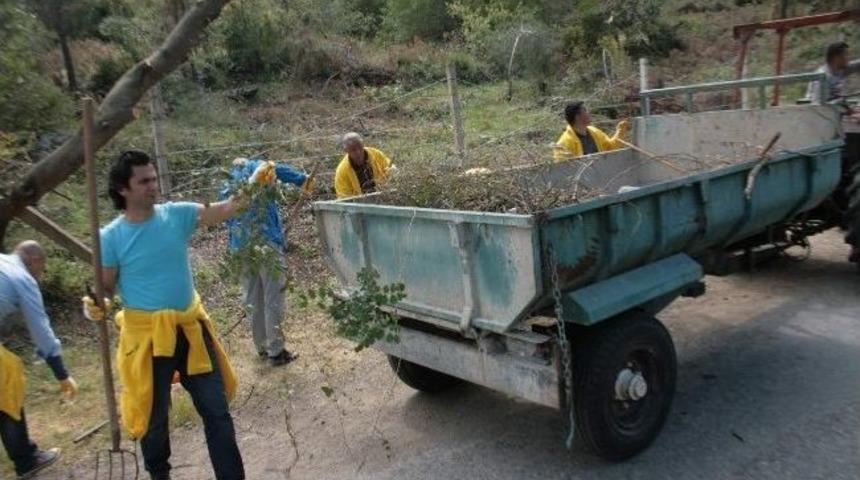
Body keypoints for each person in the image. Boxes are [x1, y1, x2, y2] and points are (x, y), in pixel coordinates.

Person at [81, 150, 253, 480]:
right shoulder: (110, 237)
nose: (153, 185)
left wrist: (254, 182)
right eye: (144, 181)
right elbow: (104, 289)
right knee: (154, 419)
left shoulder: (177, 214)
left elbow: (227, 209)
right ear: (123, 189)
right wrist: (93, 304)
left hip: (190, 331)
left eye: (154, 178)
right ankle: (159, 475)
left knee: (217, 412)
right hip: (147, 340)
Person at [222, 156, 313, 366]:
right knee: (273, 297)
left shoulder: (227, 183)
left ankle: (262, 348)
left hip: (239, 246)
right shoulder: (259, 167)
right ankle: (276, 352)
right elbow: (279, 169)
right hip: (266, 244)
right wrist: (303, 179)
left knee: (252, 299)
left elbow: (224, 212)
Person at [1, 240, 76, 478]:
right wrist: (61, 373)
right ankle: (26, 460)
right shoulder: (22, 278)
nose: (40, 275)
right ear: (35, 260)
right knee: (7, 391)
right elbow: (41, 330)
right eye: (41, 269)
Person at [553, 101, 629, 161]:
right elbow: (563, 170)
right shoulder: (563, 144)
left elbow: (610, 148)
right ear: (577, 117)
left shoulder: (595, 132)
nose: (588, 113)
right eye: (585, 111)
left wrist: (620, 131)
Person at [334, 132, 392, 198]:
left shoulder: (376, 154)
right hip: (359, 205)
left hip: (384, 196)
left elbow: (390, 169)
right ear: (346, 150)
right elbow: (343, 197)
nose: (358, 152)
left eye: (360, 147)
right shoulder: (342, 171)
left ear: (363, 144)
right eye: (353, 150)